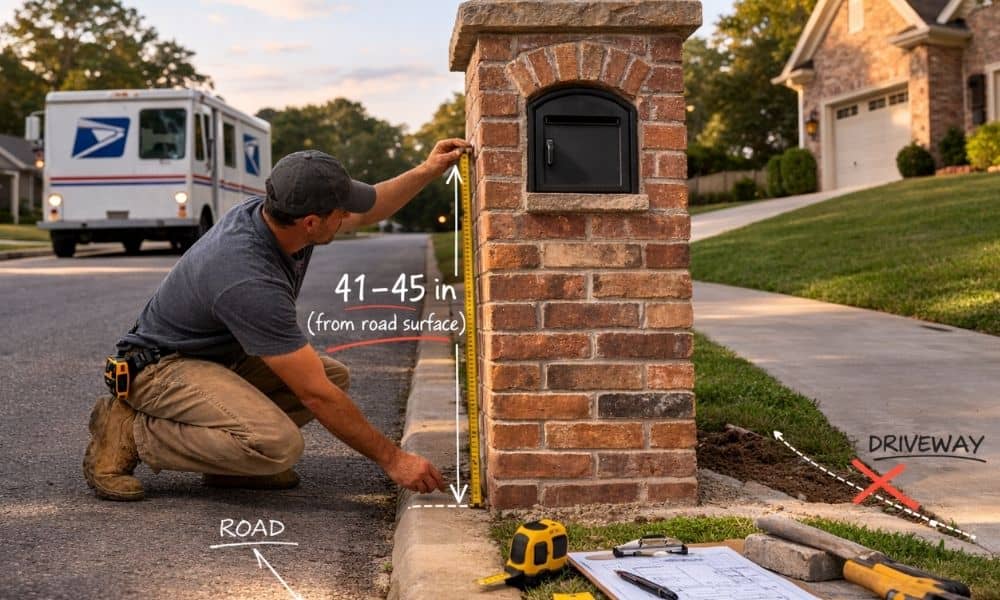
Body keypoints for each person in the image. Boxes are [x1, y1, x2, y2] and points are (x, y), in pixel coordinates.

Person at [83, 138, 470, 501]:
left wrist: (428, 168)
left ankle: (232, 467)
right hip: (159, 369)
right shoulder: (247, 276)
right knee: (280, 441)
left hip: (213, 357)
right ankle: (129, 432)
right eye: (341, 211)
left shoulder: (278, 215)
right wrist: (394, 459)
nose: (349, 215)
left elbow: (372, 207)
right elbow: (313, 394)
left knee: (332, 375)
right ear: (312, 223)